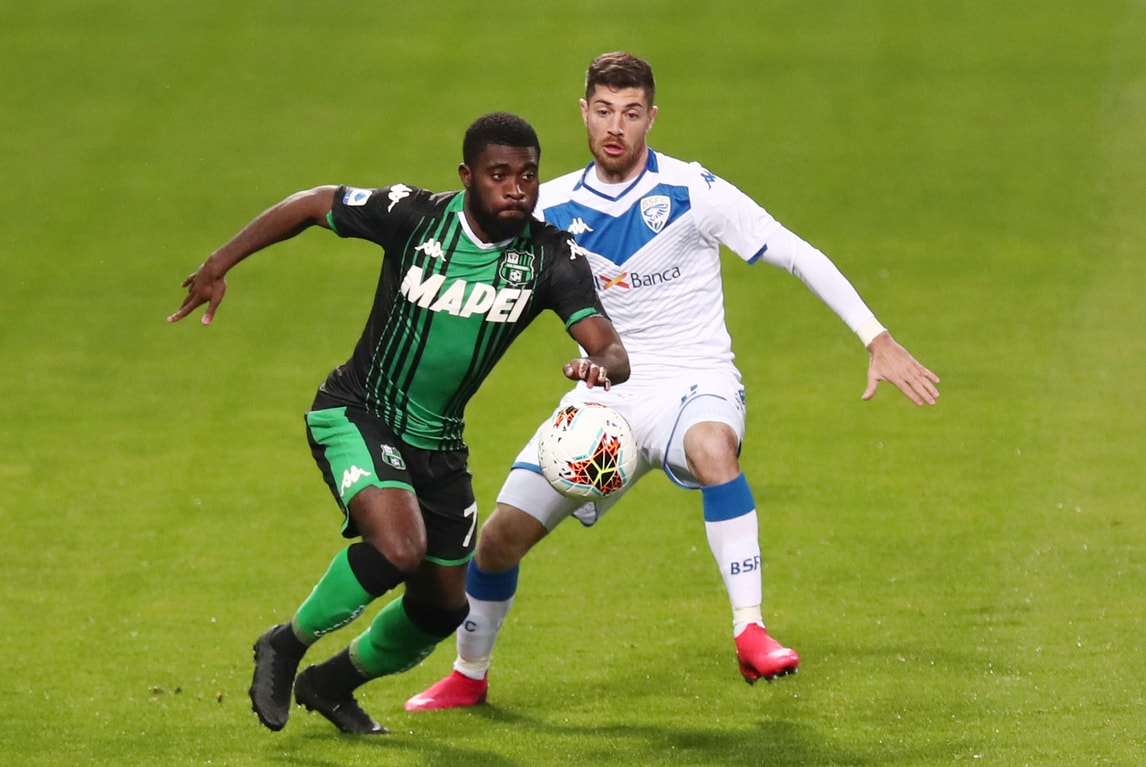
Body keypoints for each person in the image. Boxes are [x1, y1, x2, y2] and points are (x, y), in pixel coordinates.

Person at [406, 53, 940, 711]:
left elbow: (792, 250)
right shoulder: (553, 205)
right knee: (497, 539)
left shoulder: (692, 190)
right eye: (604, 110)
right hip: (607, 396)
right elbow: (479, 268)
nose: (616, 127)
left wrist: (875, 337)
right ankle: (469, 674)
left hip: (695, 380)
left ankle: (750, 629)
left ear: (651, 118)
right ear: (584, 113)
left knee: (714, 449)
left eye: (631, 113)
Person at [167, 112, 629, 735]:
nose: (516, 189)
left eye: (528, 175)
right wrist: (220, 261)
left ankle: (331, 684)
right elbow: (313, 204)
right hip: (358, 411)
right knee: (399, 548)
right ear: (467, 176)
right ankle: (284, 643)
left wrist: (600, 366)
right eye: (499, 175)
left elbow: (610, 347)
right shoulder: (414, 217)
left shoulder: (550, 257)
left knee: (443, 607)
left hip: (439, 445)